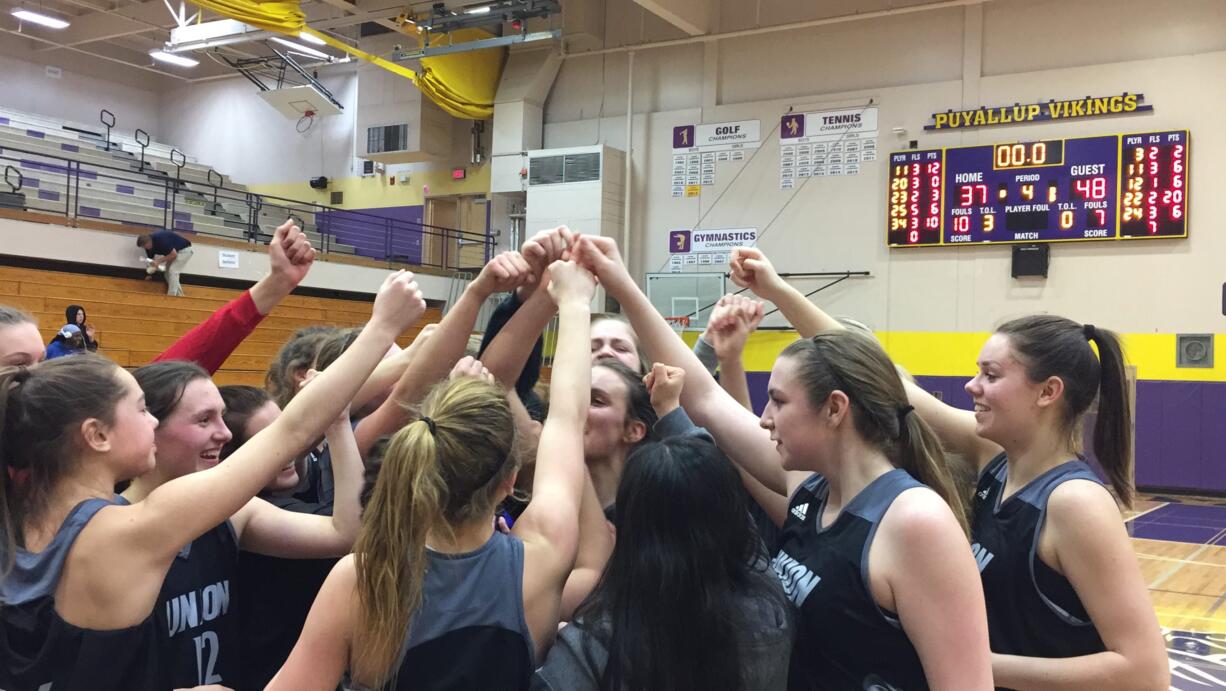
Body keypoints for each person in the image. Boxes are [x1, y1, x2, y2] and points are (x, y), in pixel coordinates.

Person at [572, 235, 994, 690]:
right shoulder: (811, 489)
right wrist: (618, 279)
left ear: (834, 409)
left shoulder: (915, 521)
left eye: (777, 401)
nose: (765, 419)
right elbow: (706, 397)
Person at [0, 269, 426, 691]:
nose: (151, 422)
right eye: (142, 409)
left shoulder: (21, 519)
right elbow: (290, 431)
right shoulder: (125, 530)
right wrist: (382, 327)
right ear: (96, 435)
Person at [268, 259, 596, 691]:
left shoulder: (361, 580)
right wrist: (573, 304)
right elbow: (567, 420)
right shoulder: (543, 555)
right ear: (508, 481)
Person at [900, 316, 1170, 690]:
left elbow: (1144, 672)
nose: (971, 385)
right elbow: (886, 382)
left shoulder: (1075, 503)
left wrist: (974, 662)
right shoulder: (996, 460)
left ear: (1047, 392)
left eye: (990, 376)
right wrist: (785, 290)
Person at [137, 229, 195, 296]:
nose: (145, 248)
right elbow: (151, 262)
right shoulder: (148, 248)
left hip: (184, 251)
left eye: (145, 246)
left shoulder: (160, 239)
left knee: (173, 271)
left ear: (149, 242)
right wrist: (149, 274)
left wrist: (158, 261)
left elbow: (174, 254)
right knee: (167, 274)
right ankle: (180, 296)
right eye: (143, 247)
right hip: (173, 253)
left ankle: (171, 297)